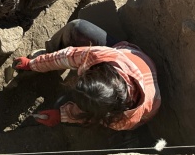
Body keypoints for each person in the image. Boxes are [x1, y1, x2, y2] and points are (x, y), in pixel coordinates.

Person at [12, 19, 160, 131]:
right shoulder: (103, 56)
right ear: (97, 71)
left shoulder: (125, 119)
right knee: (75, 27)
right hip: (126, 54)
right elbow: (67, 56)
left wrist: (61, 115)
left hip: (137, 109)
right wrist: (32, 64)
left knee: (61, 104)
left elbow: (91, 117)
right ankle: (49, 51)